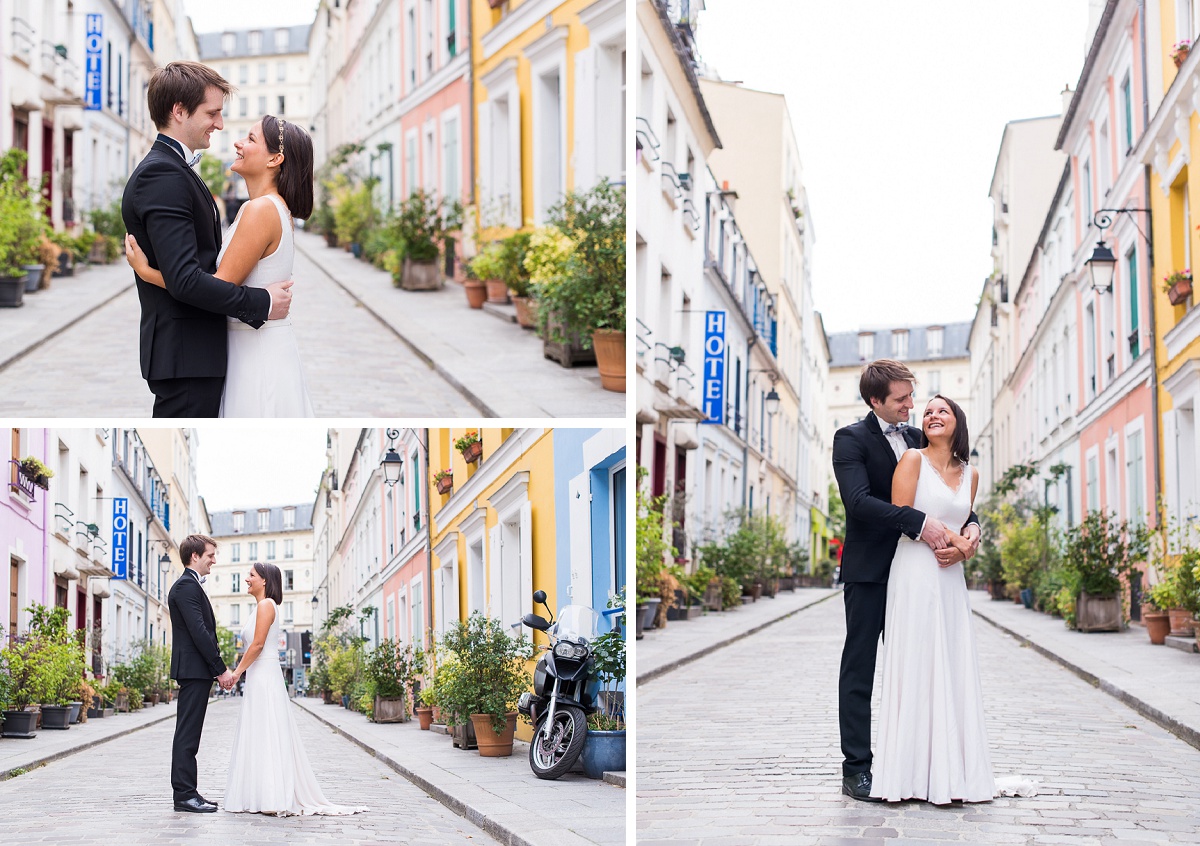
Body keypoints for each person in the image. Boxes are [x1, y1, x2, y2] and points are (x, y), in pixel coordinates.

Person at [831, 359, 980, 802]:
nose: (913, 407)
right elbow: (859, 503)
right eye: (902, 399)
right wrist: (922, 524)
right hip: (870, 572)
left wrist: (973, 530)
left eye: (913, 397)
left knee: (920, 668)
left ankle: (920, 765)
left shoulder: (920, 437)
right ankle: (857, 768)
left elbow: (954, 496)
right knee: (860, 669)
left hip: (920, 573)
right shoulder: (850, 440)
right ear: (875, 400)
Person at [121, 62, 293, 418]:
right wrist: (260, 302)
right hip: (187, 359)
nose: (220, 124)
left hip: (195, 356)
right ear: (178, 111)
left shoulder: (176, 169)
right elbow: (186, 280)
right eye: (212, 113)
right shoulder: (162, 174)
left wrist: (148, 272)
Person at [870, 394, 993, 803]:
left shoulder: (971, 473)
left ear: (958, 420)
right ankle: (908, 776)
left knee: (952, 665)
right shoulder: (912, 461)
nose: (932, 415)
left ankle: (951, 773)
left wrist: (966, 544)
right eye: (927, 411)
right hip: (915, 574)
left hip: (949, 580)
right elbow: (902, 518)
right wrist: (964, 541)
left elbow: (966, 519)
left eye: (942, 410)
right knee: (918, 662)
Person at [222, 561, 367, 816]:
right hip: (258, 676)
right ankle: (261, 794)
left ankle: (272, 796)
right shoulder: (259, 607)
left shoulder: (266, 605)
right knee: (260, 731)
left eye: (251, 575)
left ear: (264, 580)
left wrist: (235, 673)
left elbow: (256, 646)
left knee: (267, 731)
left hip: (264, 676)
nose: (246, 579)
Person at [167, 534, 237, 813]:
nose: (213, 560)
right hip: (194, 670)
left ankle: (189, 791)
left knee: (190, 734)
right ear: (194, 556)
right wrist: (220, 669)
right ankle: (184, 795)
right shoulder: (186, 586)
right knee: (187, 734)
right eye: (210, 555)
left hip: (196, 670)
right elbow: (200, 632)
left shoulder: (190, 586)